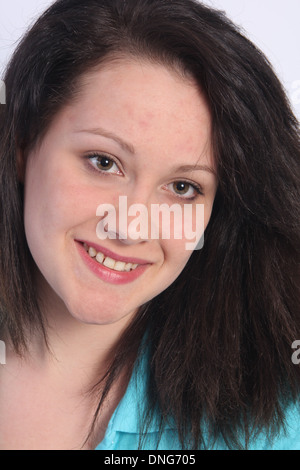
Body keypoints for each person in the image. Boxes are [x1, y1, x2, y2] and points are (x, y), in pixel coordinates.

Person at [0, 0, 299, 450]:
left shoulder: (273, 424)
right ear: (24, 145)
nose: (131, 226)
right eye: (103, 162)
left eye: (183, 188)